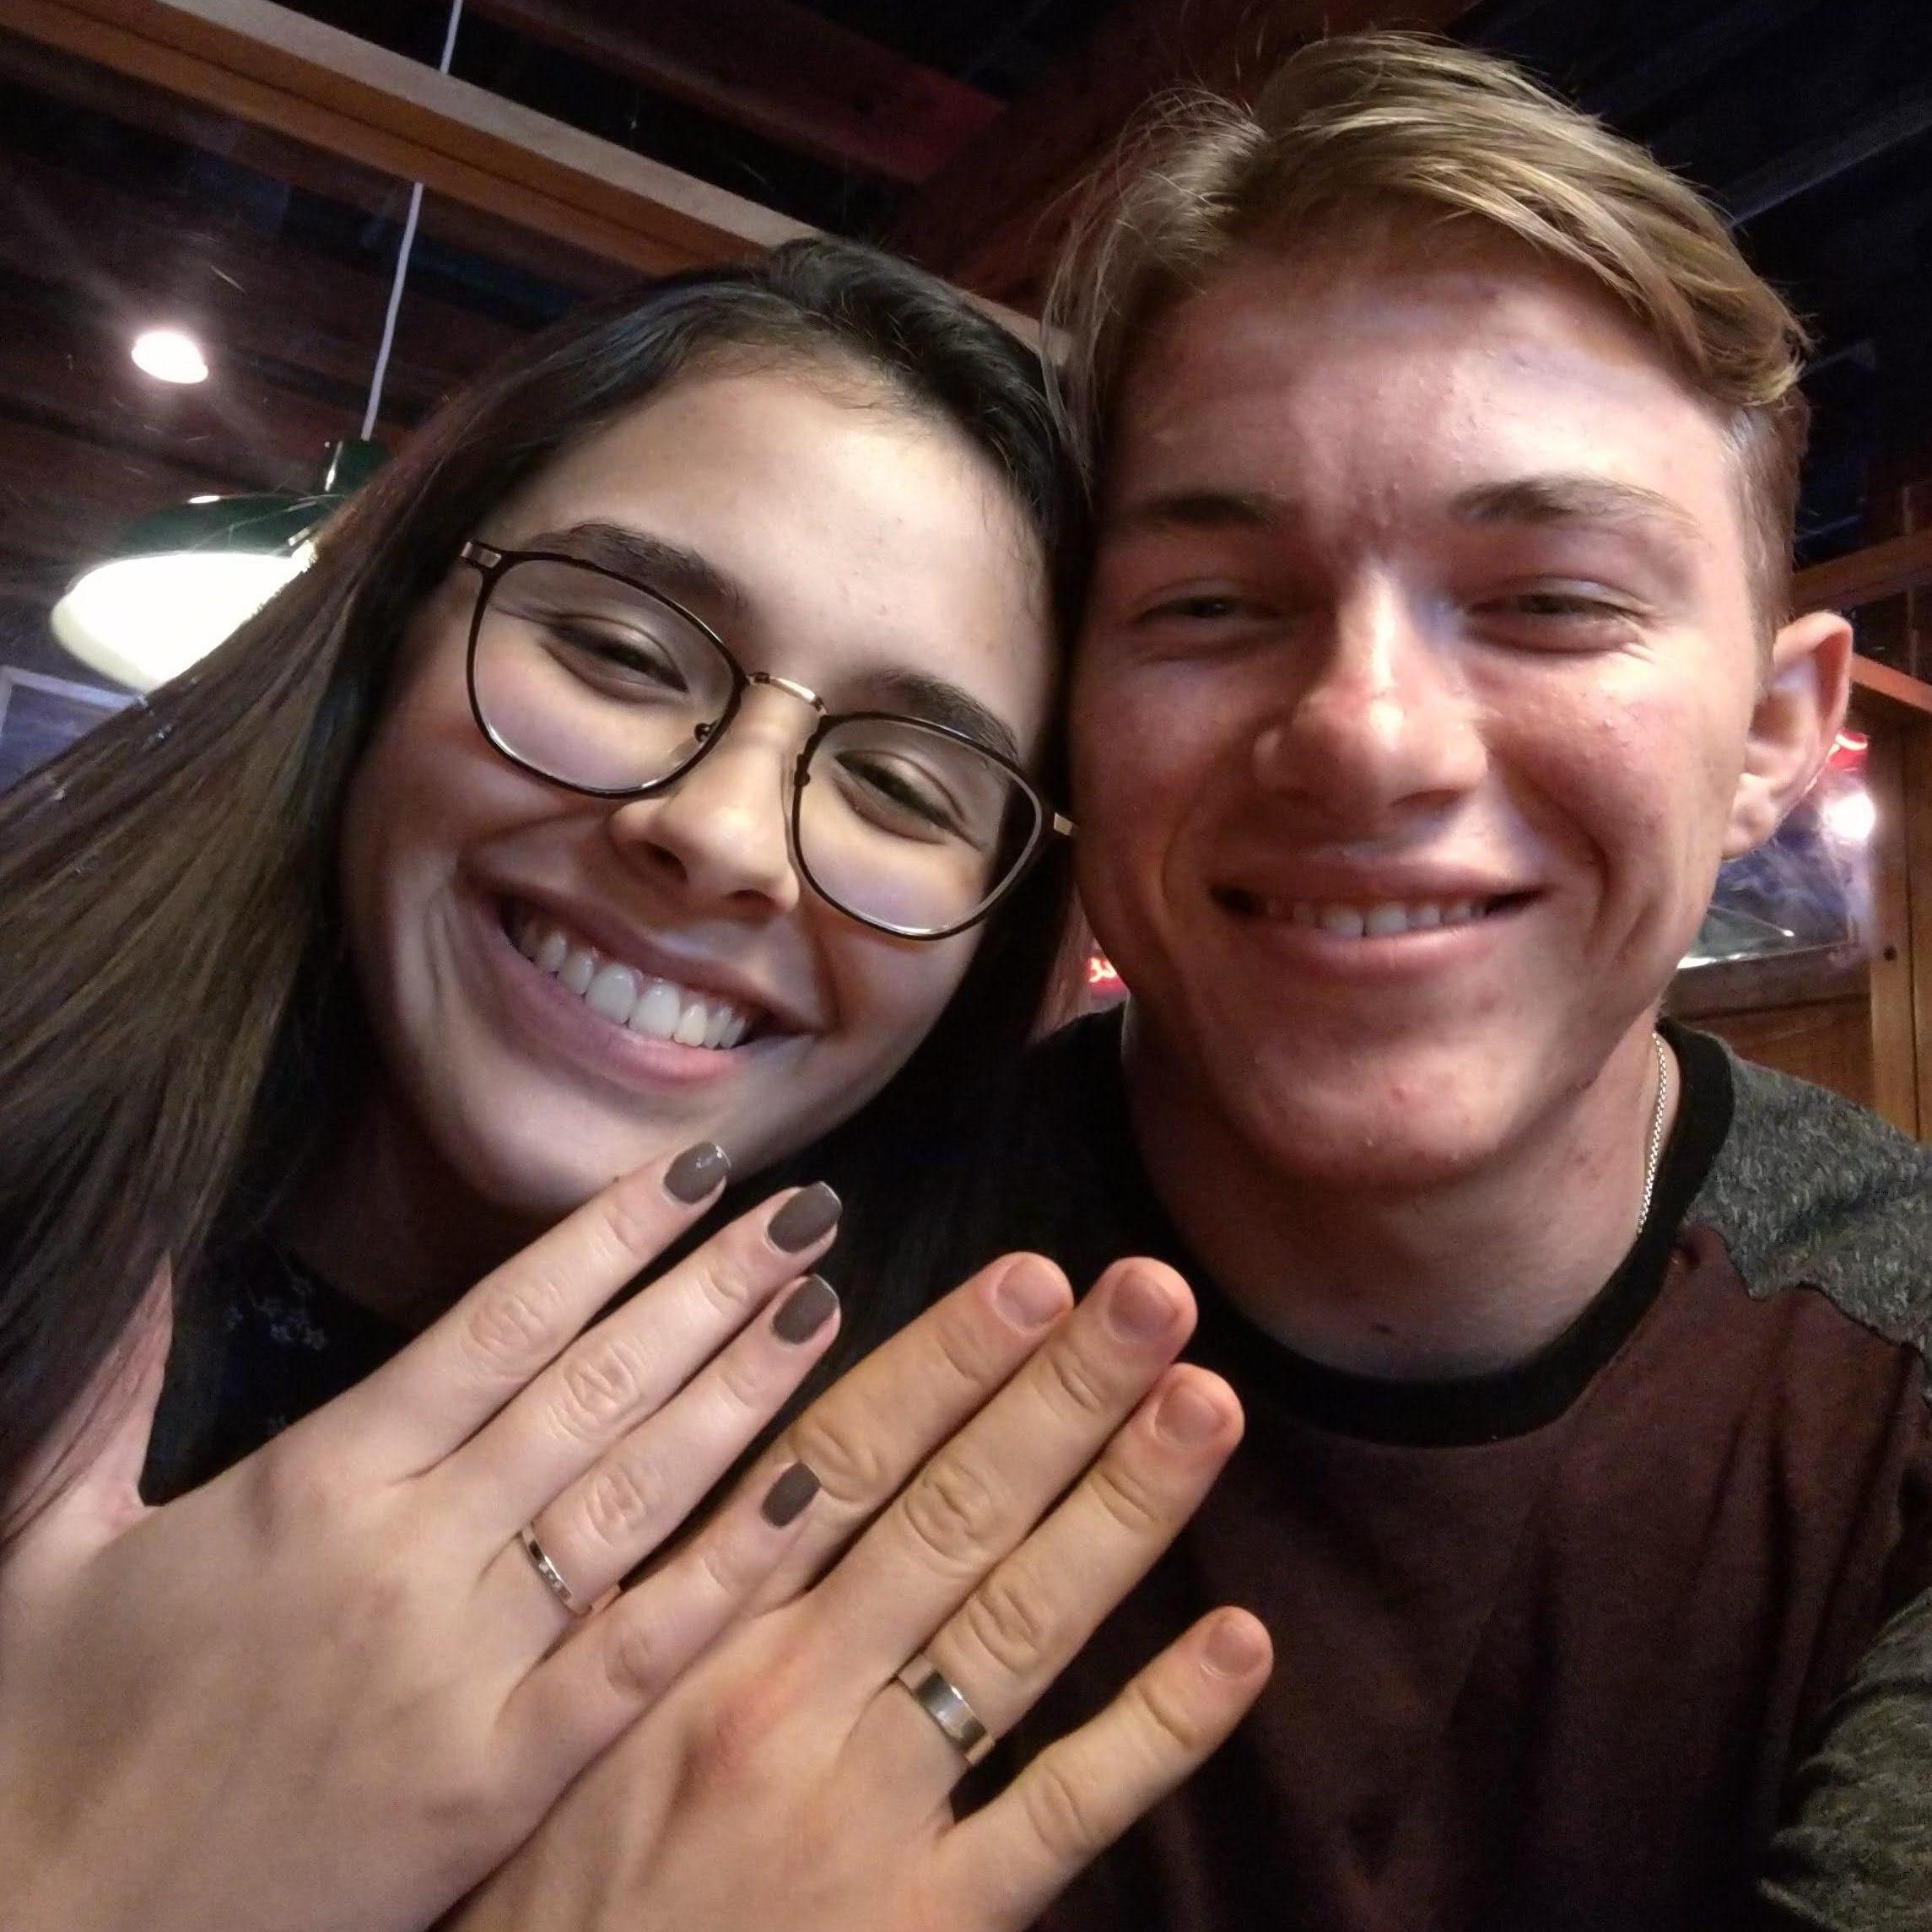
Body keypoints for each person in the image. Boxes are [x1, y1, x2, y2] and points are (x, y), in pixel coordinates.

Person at [444, 35, 1931, 1932]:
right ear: (1073, 716)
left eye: (1551, 597)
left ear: (1773, 735)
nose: (1365, 737)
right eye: (1210, 608)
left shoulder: (1890, 1379)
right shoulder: (728, 1298)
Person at [0, 239, 1271, 1932]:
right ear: (387, 637)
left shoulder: (861, 1644)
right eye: (614, 648)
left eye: (901, 782)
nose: (724, 833)